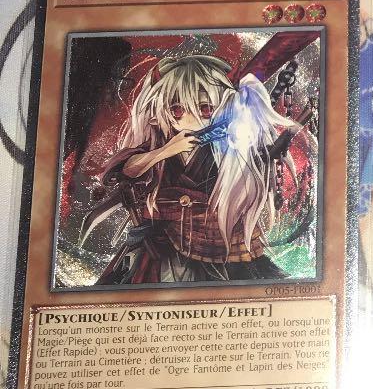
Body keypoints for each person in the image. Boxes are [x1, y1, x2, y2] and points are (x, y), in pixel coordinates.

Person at [83, 54, 303, 284]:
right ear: (161, 112)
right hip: (162, 248)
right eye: (177, 109)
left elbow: (255, 169)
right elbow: (124, 171)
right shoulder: (159, 144)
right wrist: (166, 150)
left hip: (217, 249)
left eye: (205, 108)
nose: (191, 118)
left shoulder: (230, 147)